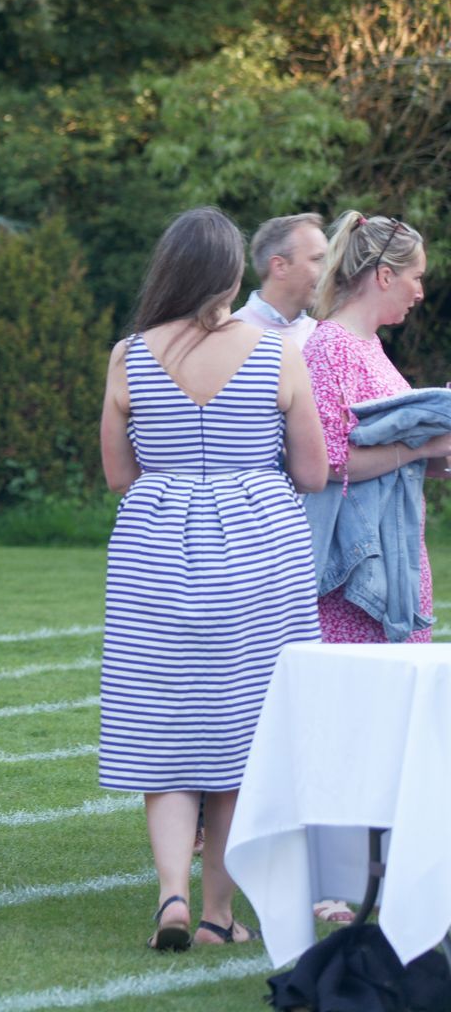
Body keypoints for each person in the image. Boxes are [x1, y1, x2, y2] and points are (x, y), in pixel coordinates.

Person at [98, 207, 327, 949]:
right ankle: (218, 914)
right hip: (259, 545)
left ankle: (170, 893)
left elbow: (117, 474)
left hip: (156, 544)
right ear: (231, 274)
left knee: (165, 727)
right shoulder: (275, 350)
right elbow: (313, 471)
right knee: (242, 732)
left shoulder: (128, 355)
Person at [301, 212, 450, 645]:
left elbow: (393, 456)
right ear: (385, 275)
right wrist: (424, 448)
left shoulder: (369, 344)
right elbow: (330, 462)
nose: (420, 293)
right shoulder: (331, 346)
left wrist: (439, 453)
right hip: (357, 572)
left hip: (393, 552)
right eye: (416, 277)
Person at [235, 213, 327, 349]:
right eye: (317, 259)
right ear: (280, 267)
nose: (327, 270)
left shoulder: (322, 336)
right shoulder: (232, 334)